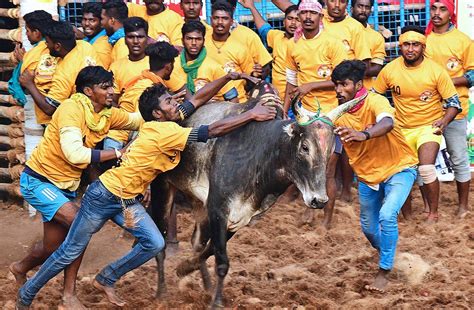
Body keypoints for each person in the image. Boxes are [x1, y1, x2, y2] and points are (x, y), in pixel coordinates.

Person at [16, 72, 277, 309]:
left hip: (126, 199)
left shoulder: (165, 121)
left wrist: (227, 77)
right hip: (104, 196)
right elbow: (212, 130)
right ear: (158, 114)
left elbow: (196, 100)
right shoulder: (165, 132)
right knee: (67, 251)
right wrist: (250, 115)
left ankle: (106, 277)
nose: (176, 103)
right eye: (168, 102)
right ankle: (27, 294)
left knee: (154, 243)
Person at [12, 66, 143, 310]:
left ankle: (20, 268)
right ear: (88, 91)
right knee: (80, 225)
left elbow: (139, 119)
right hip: (39, 181)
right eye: (105, 87)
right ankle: (68, 296)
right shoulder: (72, 109)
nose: (112, 92)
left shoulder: (105, 113)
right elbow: (75, 154)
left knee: (52, 247)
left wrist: (175, 110)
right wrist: (117, 152)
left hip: (64, 187)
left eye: (111, 86)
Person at [332, 60, 418, 293]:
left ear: (358, 84)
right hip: (368, 176)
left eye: (344, 84)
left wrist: (363, 134)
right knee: (369, 229)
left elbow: (387, 122)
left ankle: (384, 271)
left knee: (387, 215)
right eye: (336, 85)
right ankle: (391, 255)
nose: (339, 90)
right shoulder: (337, 114)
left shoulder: (375, 100)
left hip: (399, 167)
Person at [373, 26, 461, 223]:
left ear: (423, 46)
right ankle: (408, 216)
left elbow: (454, 103)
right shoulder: (390, 70)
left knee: (426, 169)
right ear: (400, 46)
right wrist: (385, 115)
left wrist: (444, 121)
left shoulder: (436, 71)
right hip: (401, 129)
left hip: (428, 127)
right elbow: (374, 97)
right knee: (401, 173)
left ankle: (433, 213)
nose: (410, 49)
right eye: (406, 44)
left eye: (415, 45)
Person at [284, 0, 347, 229]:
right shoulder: (293, 45)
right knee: (308, 167)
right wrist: (284, 110)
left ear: (321, 16)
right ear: (298, 17)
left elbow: (343, 81)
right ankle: (310, 210)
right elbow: (290, 85)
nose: (308, 17)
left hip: (331, 116)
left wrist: (311, 86)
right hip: (305, 117)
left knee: (328, 170)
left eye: (313, 12)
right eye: (304, 13)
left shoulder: (332, 43)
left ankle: (327, 220)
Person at [425, 0, 473, 218]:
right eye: (433, 8)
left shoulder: (463, 41)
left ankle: (463, 207)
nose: (436, 13)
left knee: (459, 158)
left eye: (442, 8)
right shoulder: (423, 39)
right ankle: (428, 207)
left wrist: (443, 82)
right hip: (426, 110)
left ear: (451, 12)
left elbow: (472, 75)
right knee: (424, 161)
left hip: (456, 110)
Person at [20, 21, 100, 122]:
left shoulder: (64, 74)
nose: (45, 45)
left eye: (47, 42)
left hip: (75, 120)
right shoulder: (85, 46)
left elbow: (49, 108)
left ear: (57, 46)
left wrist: (29, 84)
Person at [238, 0, 300, 99]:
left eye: (298, 19)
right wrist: (252, 7)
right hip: (277, 98)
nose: (293, 23)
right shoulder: (276, 37)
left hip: (298, 99)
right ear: (284, 21)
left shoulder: (306, 43)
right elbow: (264, 29)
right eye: (290, 18)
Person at [205, 1, 263, 102]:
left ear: (231, 21)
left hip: (237, 104)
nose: (220, 22)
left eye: (225, 19)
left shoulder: (240, 48)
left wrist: (254, 75)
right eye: (216, 18)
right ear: (210, 20)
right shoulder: (202, 43)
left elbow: (249, 80)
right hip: (208, 102)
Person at [167, 20, 239, 102]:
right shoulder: (172, 65)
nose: (194, 43)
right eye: (189, 39)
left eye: (198, 39)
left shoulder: (214, 67)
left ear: (203, 41)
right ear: (182, 40)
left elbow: (233, 98)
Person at [8, 10, 56, 125]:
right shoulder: (56, 46)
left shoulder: (33, 54)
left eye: (27, 31)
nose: (26, 34)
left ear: (37, 32)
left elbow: (18, 85)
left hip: (45, 111)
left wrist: (23, 63)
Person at [212, 0, 273, 80]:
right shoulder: (204, 34)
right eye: (216, 17)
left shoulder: (248, 35)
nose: (220, 21)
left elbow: (265, 67)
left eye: (224, 17)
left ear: (233, 10)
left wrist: (257, 75)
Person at [350, 0, 386, 89]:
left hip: (366, 90)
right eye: (360, 6)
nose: (363, 10)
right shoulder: (342, 30)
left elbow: (376, 69)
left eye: (367, 7)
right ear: (351, 9)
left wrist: (347, 73)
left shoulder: (376, 37)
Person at [82, 2, 112, 69]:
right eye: (84, 19)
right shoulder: (88, 39)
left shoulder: (102, 45)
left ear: (101, 22)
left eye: (92, 20)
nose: (86, 23)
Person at [101, 0, 129, 66]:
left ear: (112, 20)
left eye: (102, 19)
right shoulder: (120, 40)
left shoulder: (122, 44)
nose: (101, 23)